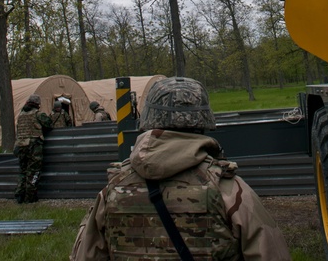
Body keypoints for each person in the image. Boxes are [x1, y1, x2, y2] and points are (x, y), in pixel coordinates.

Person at [70, 77, 289, 260]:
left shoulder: (112, 191)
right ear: (204, 121)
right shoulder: (230, 191)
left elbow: (84, 255)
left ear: (148, 119)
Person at [13, 93, 53, 204]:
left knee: (23, 171)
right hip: (33, 146)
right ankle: (30, 197)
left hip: (20, 145)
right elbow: (49, 124)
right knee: (34, 171)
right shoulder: (38, 114)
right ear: (37, 104)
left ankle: (19, 195)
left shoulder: (21, 115)